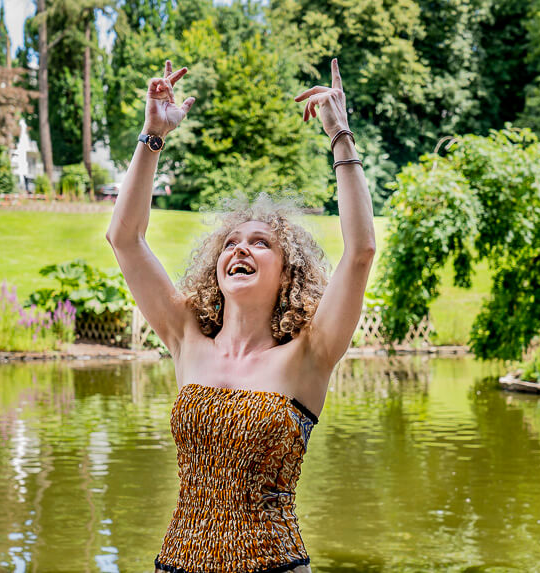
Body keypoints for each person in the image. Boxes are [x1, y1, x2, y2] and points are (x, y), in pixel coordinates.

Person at [105, 57, 376, 573]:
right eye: (230, 242)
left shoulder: (309, 354)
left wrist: (340, 135)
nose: (240, 249)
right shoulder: (187, 338)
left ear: (288, 270)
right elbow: (124, 239)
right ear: (218, 264)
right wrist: (152, 134)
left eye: (260, 243)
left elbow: (360, 251)